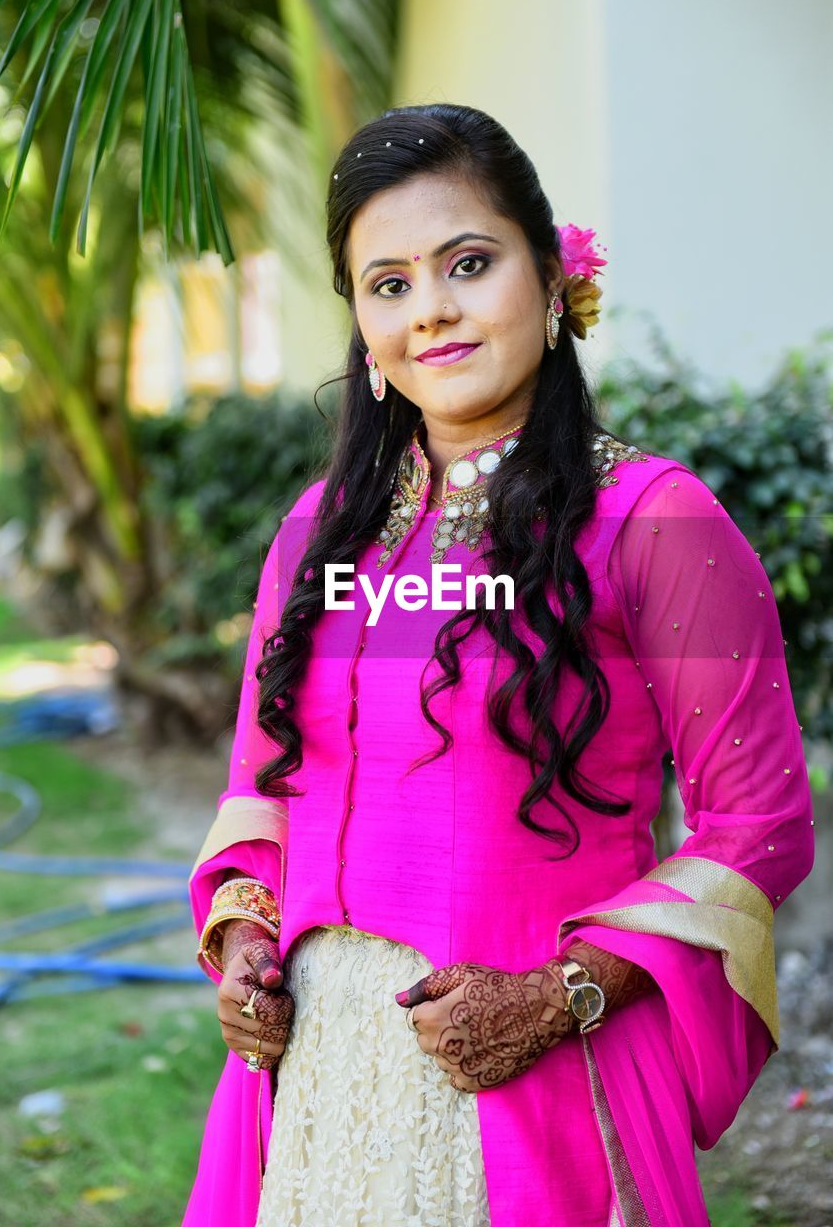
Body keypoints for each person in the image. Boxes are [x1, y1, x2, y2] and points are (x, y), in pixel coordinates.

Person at [182, 104, 814, 1227]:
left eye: (465, 263)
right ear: (363, 328)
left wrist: (560, 993)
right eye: (387, 284)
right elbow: (259, 786)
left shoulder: (655, 522)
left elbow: (754, 826)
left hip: (538, 1077)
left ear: (548, 274)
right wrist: (240, 939)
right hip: (314, 1085)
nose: (429, 309)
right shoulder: (316, 536)